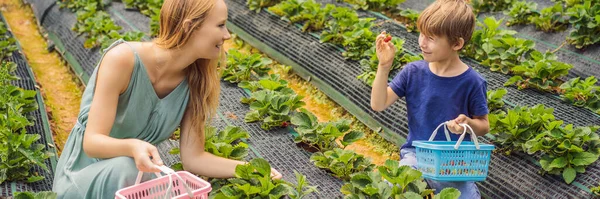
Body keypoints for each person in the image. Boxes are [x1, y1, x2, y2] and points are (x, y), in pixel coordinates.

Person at [52, 0, 282, 198]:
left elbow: (195, 158)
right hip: (81, 177)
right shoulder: (122, 60)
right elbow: (92, 143)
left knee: (152, 179)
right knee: (130, 168)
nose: (227, 35)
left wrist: (248, 168)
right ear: (190, 26)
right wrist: (132, 146)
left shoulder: (195, 82)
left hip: (135, 180)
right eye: (220, 25)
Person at [370, 0, 489, 198]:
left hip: (454, 163)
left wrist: (467, 124)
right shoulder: (412, 72)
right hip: (416, 156)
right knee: (394, 189)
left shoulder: (473, 82)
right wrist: (384, 66)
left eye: (431, 38)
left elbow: (484, 125)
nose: (422, 42)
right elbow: (378, 104)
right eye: (422, 34)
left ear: (457, 44)